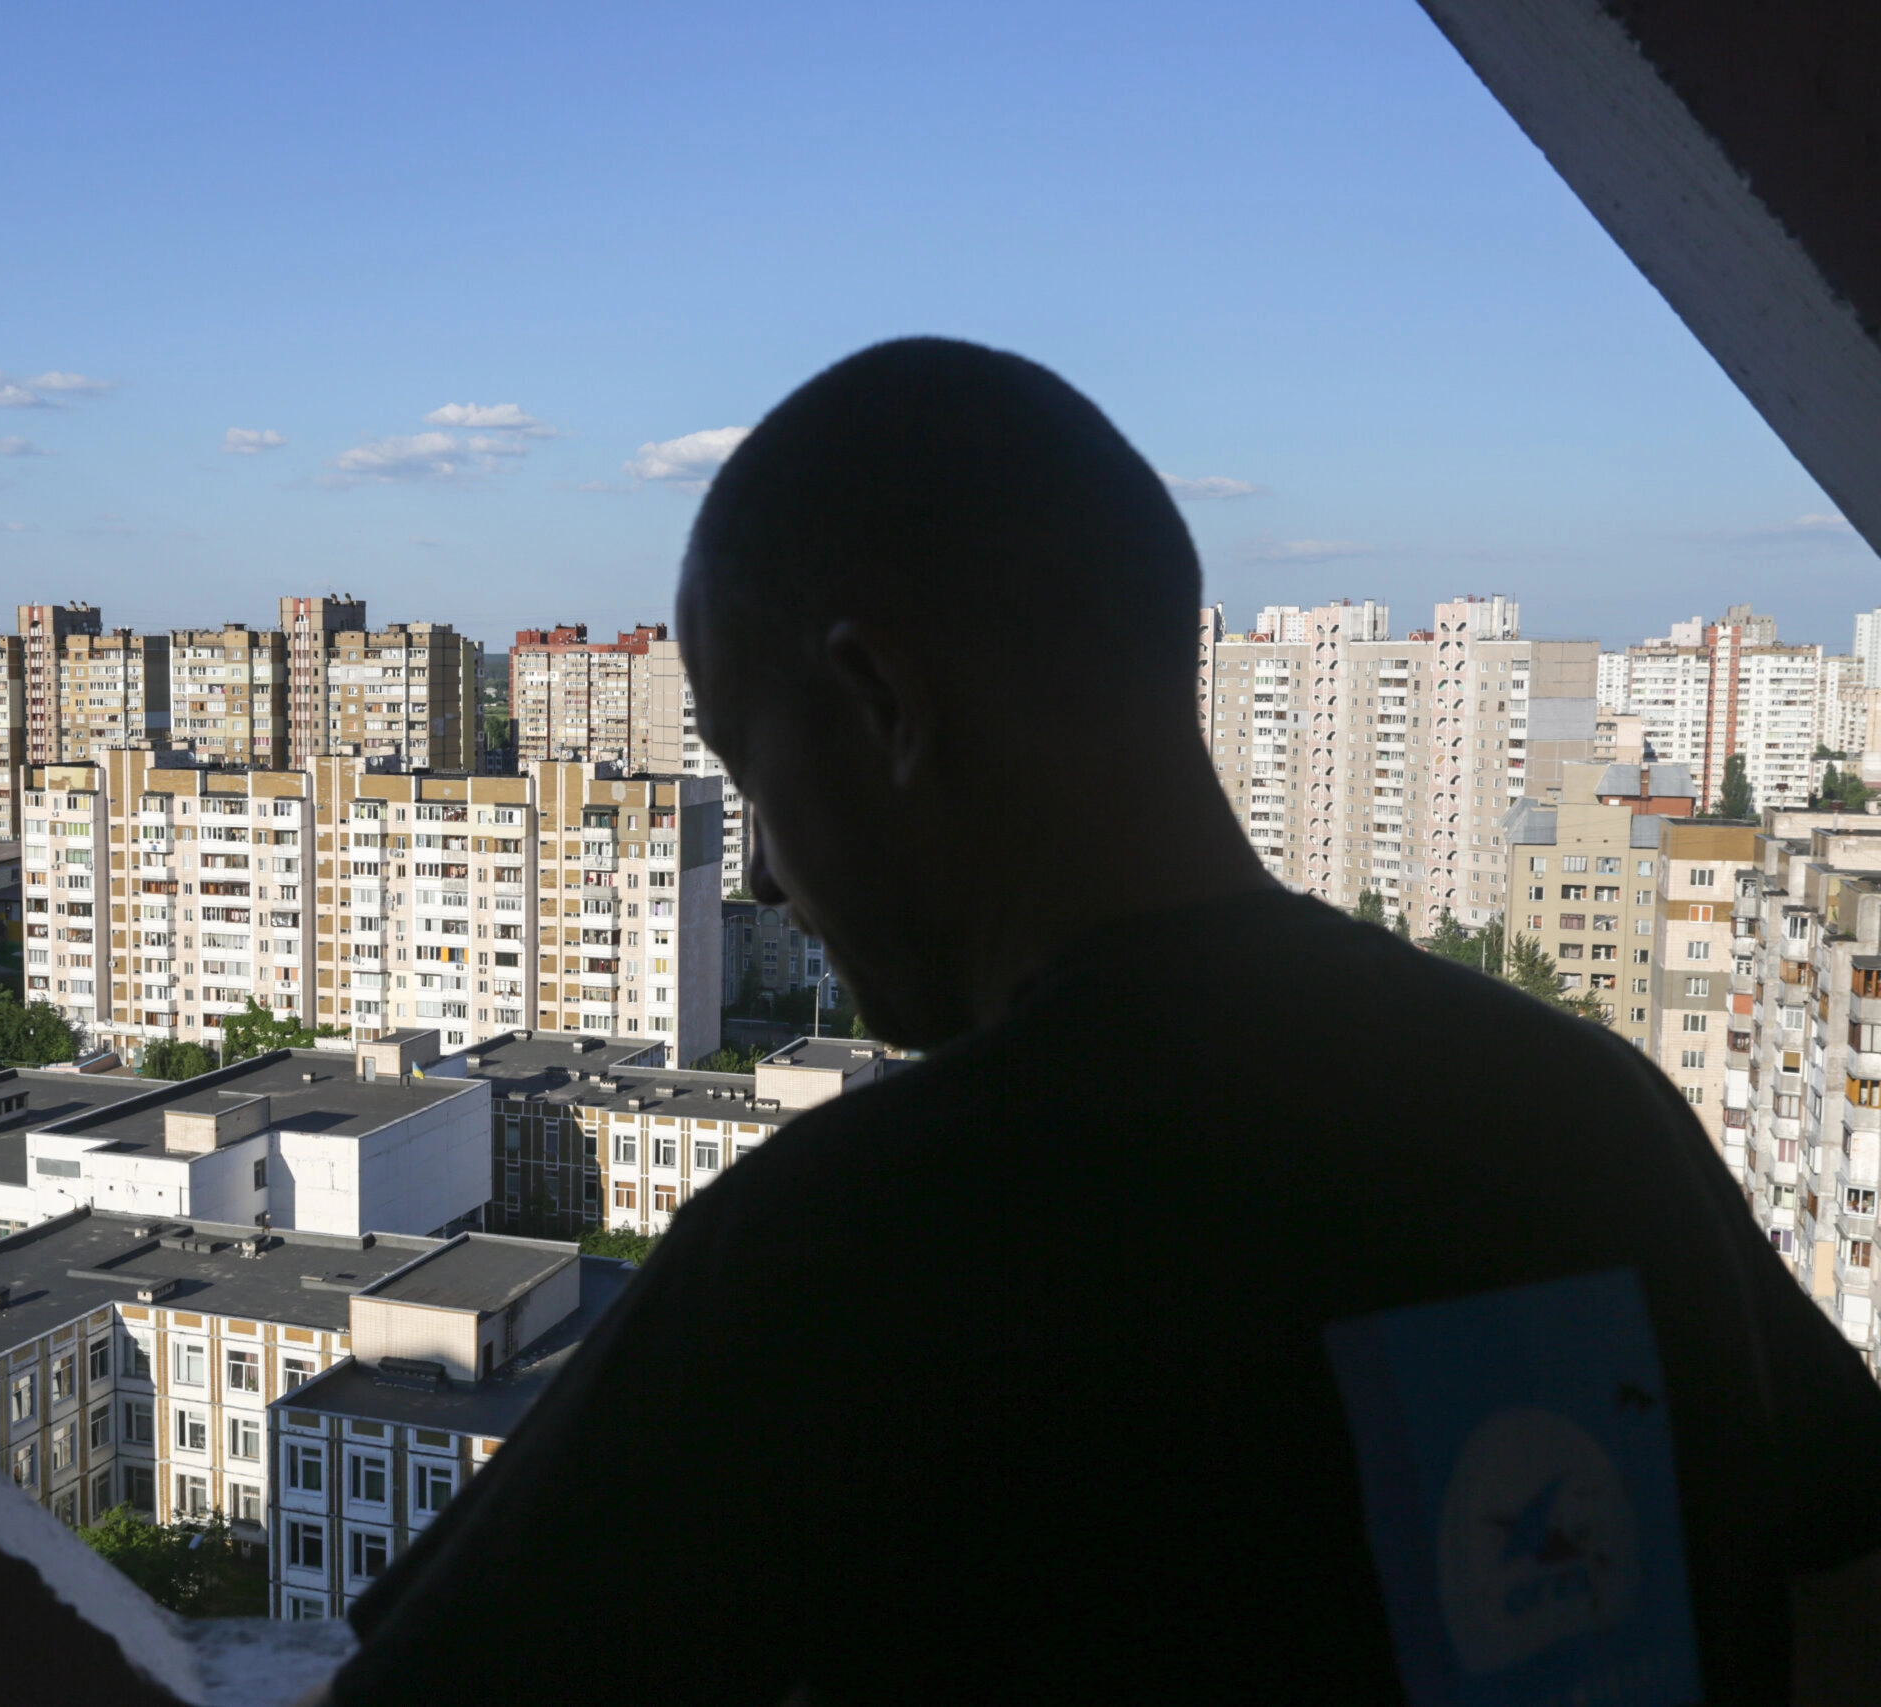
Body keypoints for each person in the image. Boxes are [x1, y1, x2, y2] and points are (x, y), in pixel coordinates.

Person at [313, 339, 1881, 1704]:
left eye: (749, 774)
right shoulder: (1591, 1116)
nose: (772, 878)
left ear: (882, 705)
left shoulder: (851, 1256)